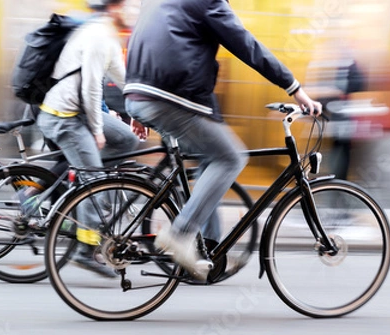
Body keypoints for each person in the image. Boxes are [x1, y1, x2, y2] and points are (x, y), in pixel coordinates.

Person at [124, 0, 322, 281]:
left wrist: (138, 99)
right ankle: (180, 234)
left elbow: (140, 41)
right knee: (231, 157)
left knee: (212, 158)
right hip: (170, 96)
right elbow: (247, 46)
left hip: (140, 92)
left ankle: (209, 248)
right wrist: (294, 88)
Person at [34, 0, 146, 277]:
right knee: (94, 177)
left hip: (79, 113)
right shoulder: (97, 35)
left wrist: (143, 113)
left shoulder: (108, 37)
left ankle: (85, 181)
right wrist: (97, 130)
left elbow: (126, 81)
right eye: (129, 6)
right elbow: (91, 89)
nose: (134, 12)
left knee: (127, 140)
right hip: (64, 116)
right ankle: (86, 250)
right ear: (114, 8)